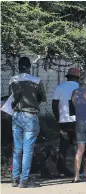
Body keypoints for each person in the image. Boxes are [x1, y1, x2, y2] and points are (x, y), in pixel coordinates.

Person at [10, 57, 47, 188]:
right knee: (27, 150)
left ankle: (14, 178)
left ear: (19, 66)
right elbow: (43, 98)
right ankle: (24, 180)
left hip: (16, 115)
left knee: (17, 149)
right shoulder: (36, 80)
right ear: (29, 66)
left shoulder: (13, 80)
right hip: (30, 115)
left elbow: (12, 98)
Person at [52, 68, 81, 177]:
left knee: (63, 147)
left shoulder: (60, 87)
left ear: (67, 77)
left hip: (64, 121)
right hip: (77, 121)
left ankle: (61, 171)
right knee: (79, 146)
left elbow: (54, 105)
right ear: (77, 77)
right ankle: (79, 171)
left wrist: (58, 118)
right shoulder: (80, 88)